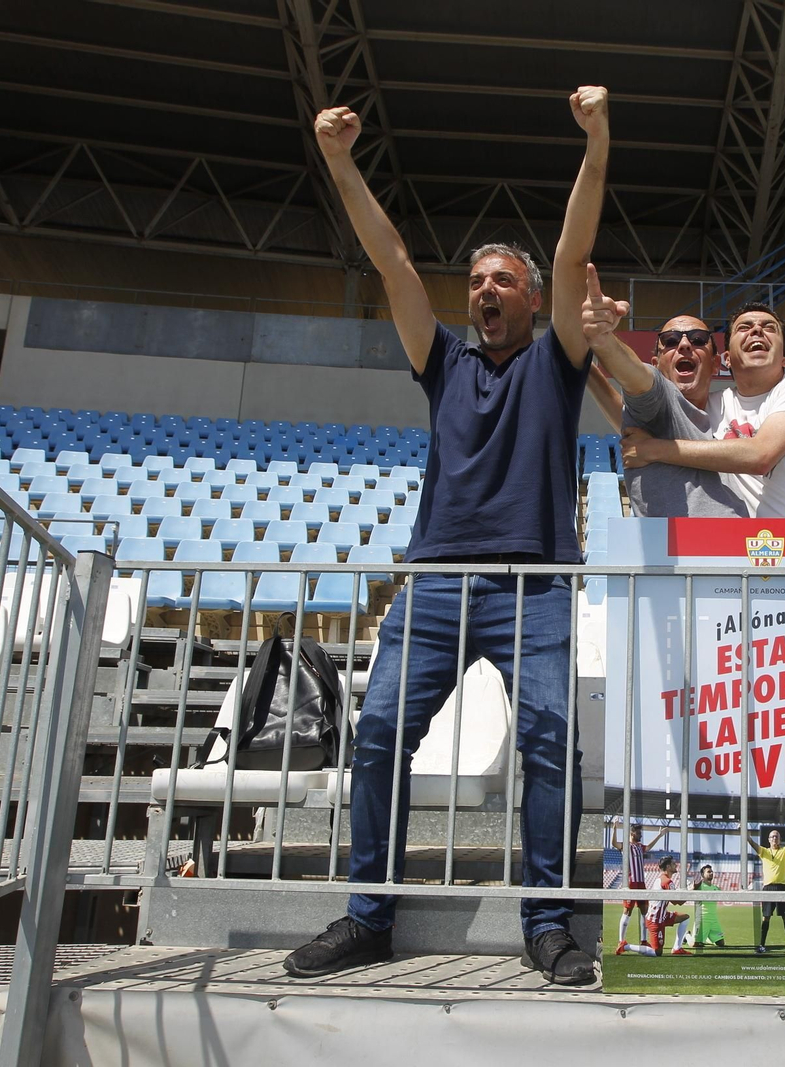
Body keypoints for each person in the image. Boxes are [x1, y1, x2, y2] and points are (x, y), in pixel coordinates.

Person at [283, 87, 611, 985]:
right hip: (435, 584)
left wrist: (597, 141)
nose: (486, 291)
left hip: (535, 585)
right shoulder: (444, 363)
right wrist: (342, 161)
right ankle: (369, 914)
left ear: (535, 298)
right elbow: (391, 261)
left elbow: (573, 243)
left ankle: (549, 922)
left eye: (504, 280)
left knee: (549, 743)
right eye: (476, 282)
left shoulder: (556, 361)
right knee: (381, 728)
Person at [618, 302, 785, 520]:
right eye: (745, 327)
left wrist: (654, 450)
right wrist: (587, 365)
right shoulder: (712, 406)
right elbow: (635, 415)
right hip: (765, 550)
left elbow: (760, 456)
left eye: (769, 327)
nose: (757, 331)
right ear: (726, 360)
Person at [580, 273, 747, 517]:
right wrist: (603, 339)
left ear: (715, 364)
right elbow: (637, 378)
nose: (684, 345)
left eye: (699, 339)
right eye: (670, 341)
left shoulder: (735, 405)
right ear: (657, 364)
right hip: (670, 552)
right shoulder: (657, 400)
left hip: (745, 549)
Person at [616, 857, 692, 957]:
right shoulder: (667, 882)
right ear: (668, 866)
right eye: (674, 864)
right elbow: (678, 902)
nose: (676, 865)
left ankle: (677, 948)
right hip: (655, 920)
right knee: (657, 953)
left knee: (685, 918)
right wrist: (691, 890)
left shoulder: (661, 879)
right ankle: (625, 946)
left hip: (661, 916)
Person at [610, 822, 668, 947]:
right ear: (632, 833)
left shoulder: (640, 847)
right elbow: (614, 844)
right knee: (627, 911)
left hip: (641, 882)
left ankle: (643, 940)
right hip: (630, 882)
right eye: (638, 833)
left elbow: (648, 847)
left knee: (644, 911)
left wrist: (659, 836)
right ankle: (621, 941)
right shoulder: (626, 845)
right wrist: (614, 829)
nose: (640, 835)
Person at [746, 826, 785, 955]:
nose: (775, 838)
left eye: (777, 836)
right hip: (768, 888)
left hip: (781, 888)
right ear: (769, 840)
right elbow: (751, 842)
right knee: (766, 918)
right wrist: (743, 829)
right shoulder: (764, 851)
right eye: (772, 836)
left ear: (780, 839)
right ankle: (761, 945)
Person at [688, 863, 726, 948]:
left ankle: (706, 937)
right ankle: (687, 935)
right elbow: (690, 891)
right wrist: (693, 888)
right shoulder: (699, 886)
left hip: (713, 920)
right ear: (702, 874)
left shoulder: (715, 888)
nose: (711, 873)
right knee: (695, 945)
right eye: (708, 872)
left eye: (712, 871)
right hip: (702, 919)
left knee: (721, 943)